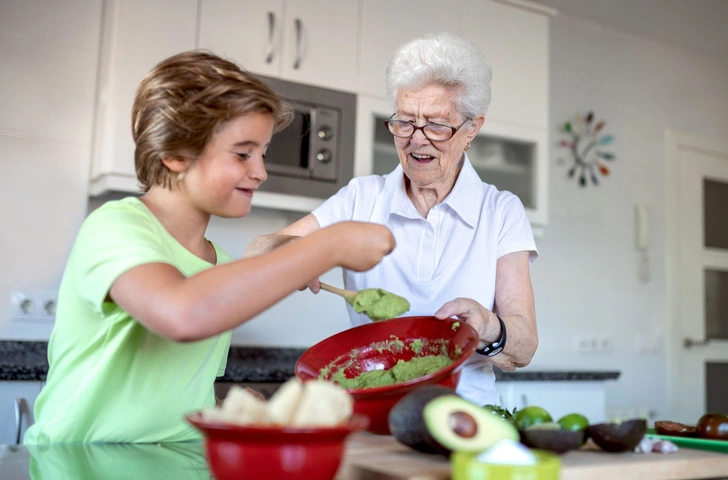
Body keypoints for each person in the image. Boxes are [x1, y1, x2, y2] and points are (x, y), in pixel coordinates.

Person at [24, 51, 394, 445]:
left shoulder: (220, 267)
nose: (261, 172)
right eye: (242, 154)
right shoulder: (114, 226)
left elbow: (167, 393)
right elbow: (182, 314)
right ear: (175, 153)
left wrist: (218, 407)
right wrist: (327, 246)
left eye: (263, 154)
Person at [245, 32, 538, 406]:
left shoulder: (500, 211)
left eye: (435, 125)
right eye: (405, 122)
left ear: (471, 130)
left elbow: (524, 346)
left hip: (466, 413)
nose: (416, 140)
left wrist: (486, 323)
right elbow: (258, 252)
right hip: (370, 406)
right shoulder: (362, 197)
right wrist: (300, 254)